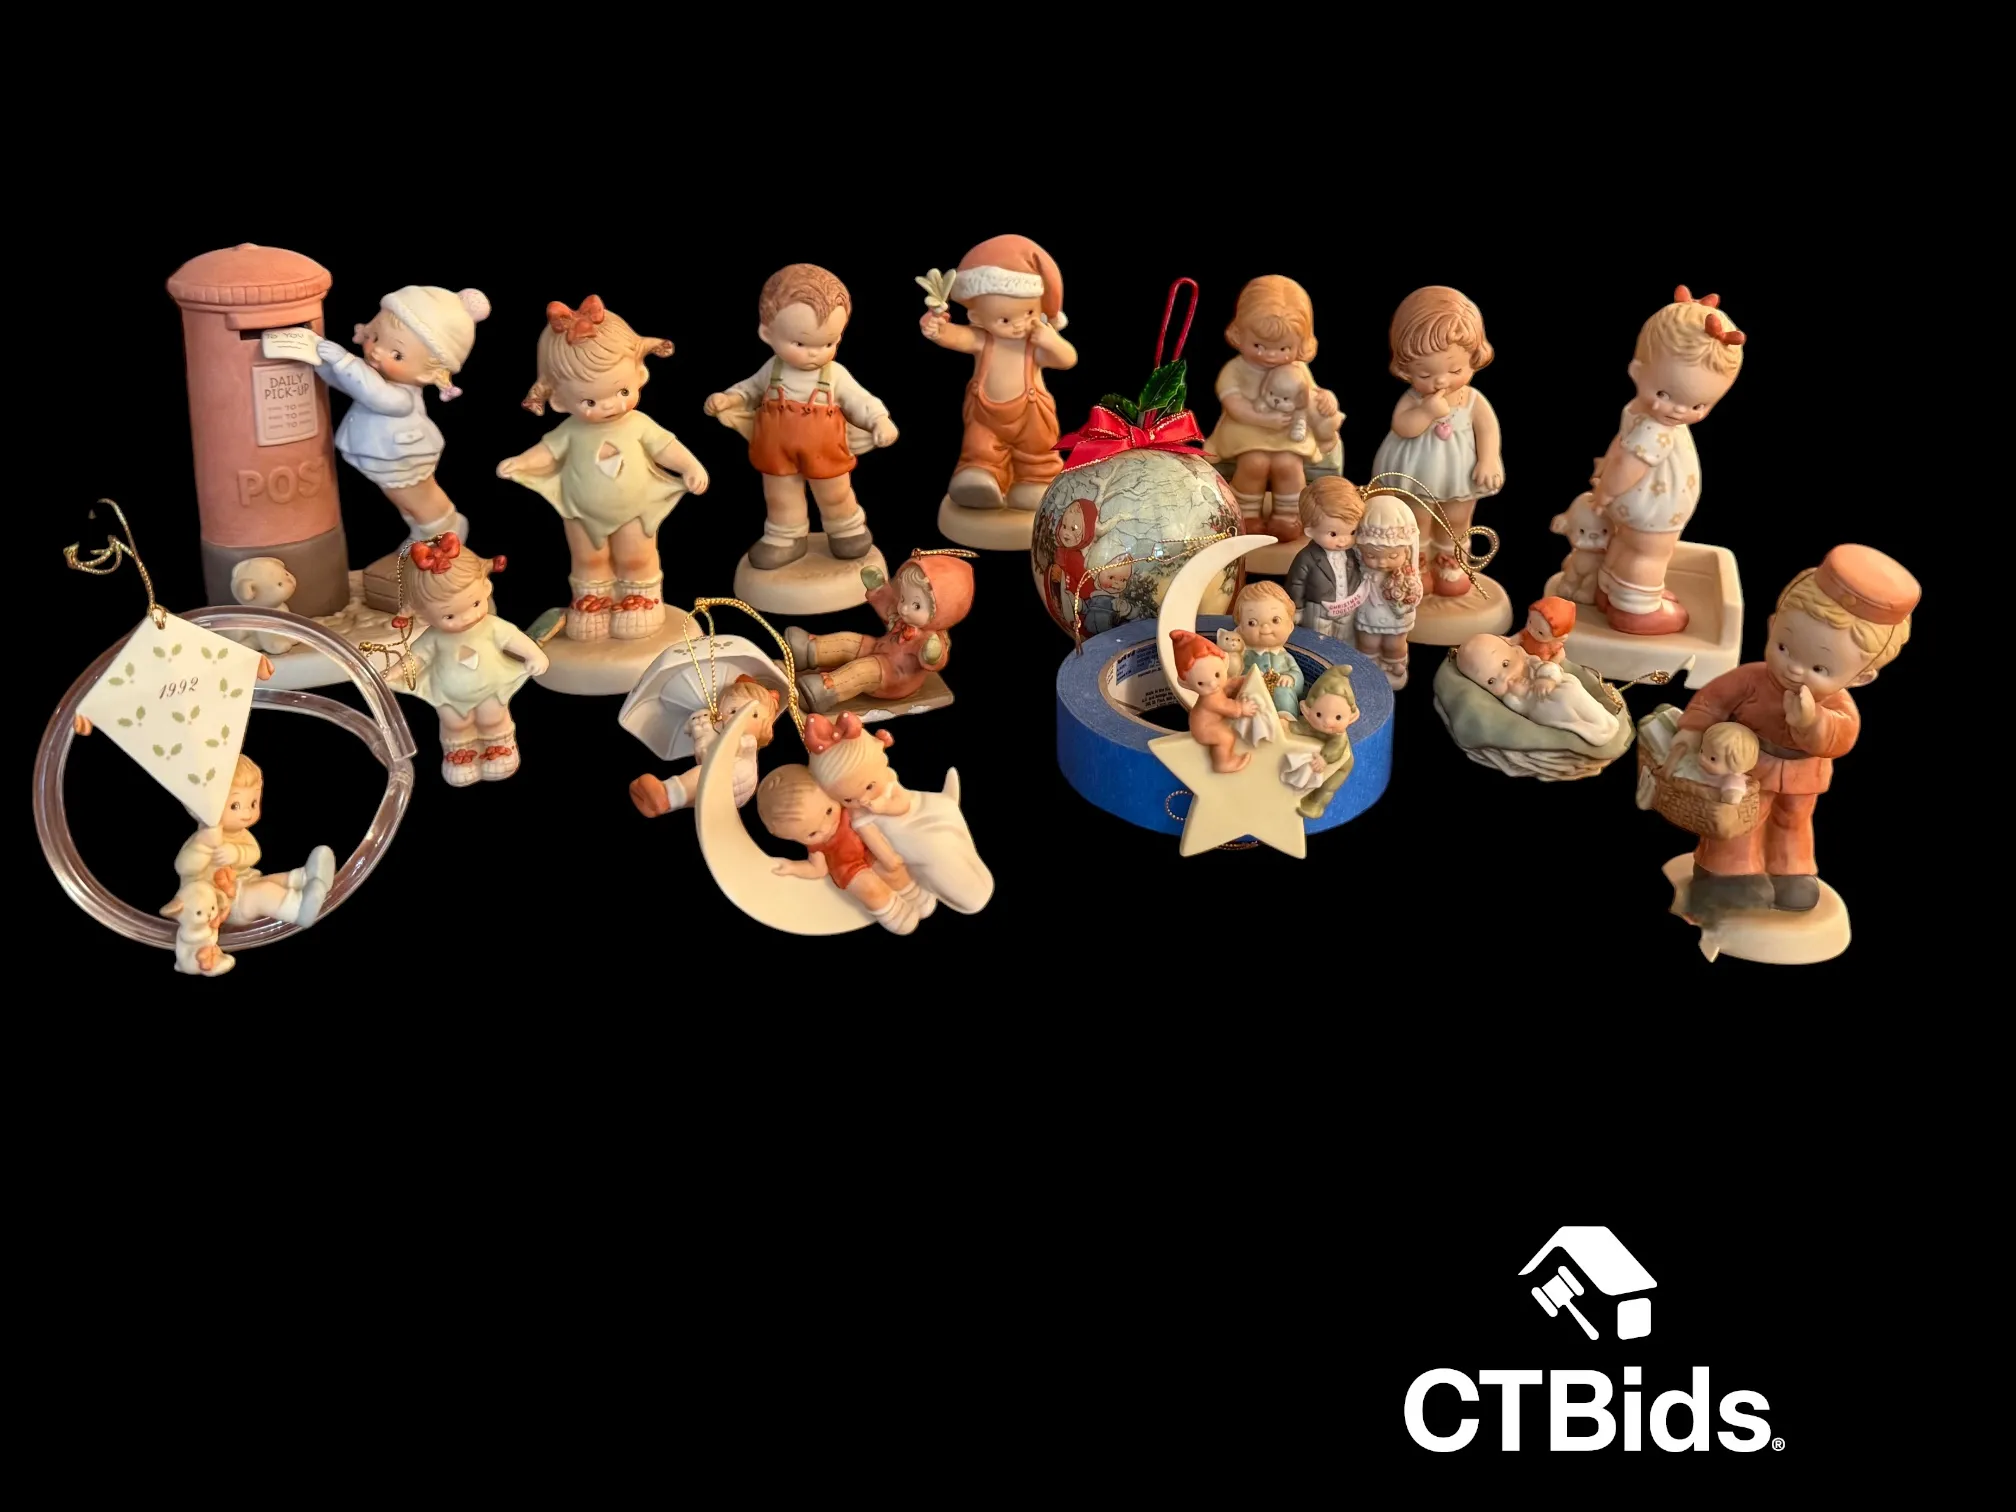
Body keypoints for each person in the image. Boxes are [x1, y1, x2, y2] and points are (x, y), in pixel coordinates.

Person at [1668, 545, 1918, 918]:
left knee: (1793, 821)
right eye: (1784, 647)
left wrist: (1811, 723)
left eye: (1820, 669)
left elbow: (1842, 736)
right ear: (1772, 626)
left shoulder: (1836, 704)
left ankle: (1791, 872)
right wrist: (1692, 730)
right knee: (1742, 818)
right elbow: (1713, 701)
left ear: (1862, 677)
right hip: (1746, 765)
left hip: (1803, 773)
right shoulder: (1751, 679)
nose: (1795, 669)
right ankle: (1727, 876)